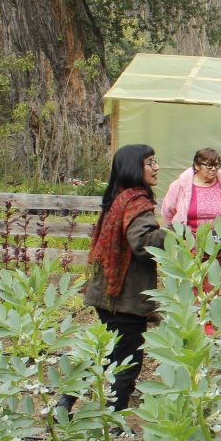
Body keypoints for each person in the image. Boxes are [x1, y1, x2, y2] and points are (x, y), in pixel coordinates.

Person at [62, 144, 167, 414]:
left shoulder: (118, 198)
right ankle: (114, 417)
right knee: (127, 358)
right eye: (150, 163)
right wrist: (175, 234)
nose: (156, 168)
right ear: (135, 168)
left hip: (108, 291)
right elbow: (143, 244)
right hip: (125, 296)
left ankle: (66, 401)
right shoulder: (137, 203)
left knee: (106, 352)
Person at [161, 148, 221, 334]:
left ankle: (207, 321)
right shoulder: (180, 186)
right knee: (191, 283)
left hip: (217, 245)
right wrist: (180, 234)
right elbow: (168, 211)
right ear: (196, 166)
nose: (214, 170)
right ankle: (190, 322)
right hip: (190, 245)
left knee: (211, 285)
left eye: (217, 165)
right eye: (209, 165)